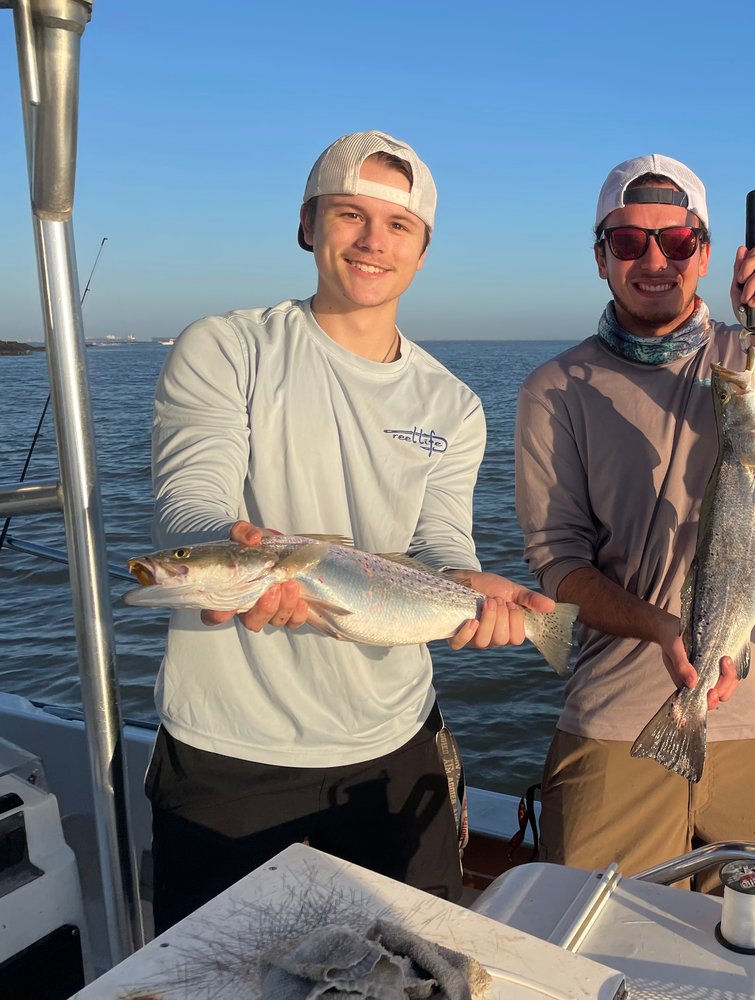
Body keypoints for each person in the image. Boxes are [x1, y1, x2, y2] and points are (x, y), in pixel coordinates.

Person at [145, 130, 553, 931]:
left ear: (423, 249)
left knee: (409, 971)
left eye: (398, 225)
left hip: (395, 749)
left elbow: (441, 545)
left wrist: (471, 585)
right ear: (308, 225)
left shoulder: (452, 403)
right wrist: (233, 558)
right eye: (349, 215)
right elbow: (191, 502)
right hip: (226, 755)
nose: (373, 242)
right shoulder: (226, 347)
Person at [513, 154, 755, 911]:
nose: (654, 260)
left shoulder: (752, 356)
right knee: (591, 952)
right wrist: (661, 628)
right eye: (629, 242)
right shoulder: (552, 389)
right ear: (600, 257)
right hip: (616, 721)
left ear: (705, 251)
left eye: (676, 240)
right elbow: (555, 564)